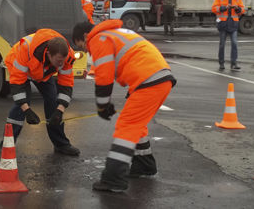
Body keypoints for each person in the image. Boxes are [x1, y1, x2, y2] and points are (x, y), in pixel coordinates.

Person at [72, 20, 176, 192]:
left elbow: (104, 77)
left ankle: (114, 179)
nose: (85, 50)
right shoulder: (116, 33)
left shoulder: (99, 38)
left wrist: (102, 106)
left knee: (126, 126)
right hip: (159, 77)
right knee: (136, 125)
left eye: (82, 46)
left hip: (148, 80)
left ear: (85, 36)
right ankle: (144, 165)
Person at [4, 29, 80, 156]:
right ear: (49, 54)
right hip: (20, 68)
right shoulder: (26, 50)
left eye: (63, 61)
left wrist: (60, 110)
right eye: (58, 61)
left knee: (53, 102)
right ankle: (7, 145)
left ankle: (61, 144)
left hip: (41, 72)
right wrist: (27, 110)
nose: (61, 64)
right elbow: (17, 84)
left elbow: (66, 85)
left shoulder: (67, 56)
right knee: (20, 106)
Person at [212, 0, 245, 71]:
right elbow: (214, 8)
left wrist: (237, 8)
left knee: (234, 44)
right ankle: (221, 63)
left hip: (233, 25)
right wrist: (225, 7)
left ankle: (234, 63)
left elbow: (242, 10)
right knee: (222, 45)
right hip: (223, 25)